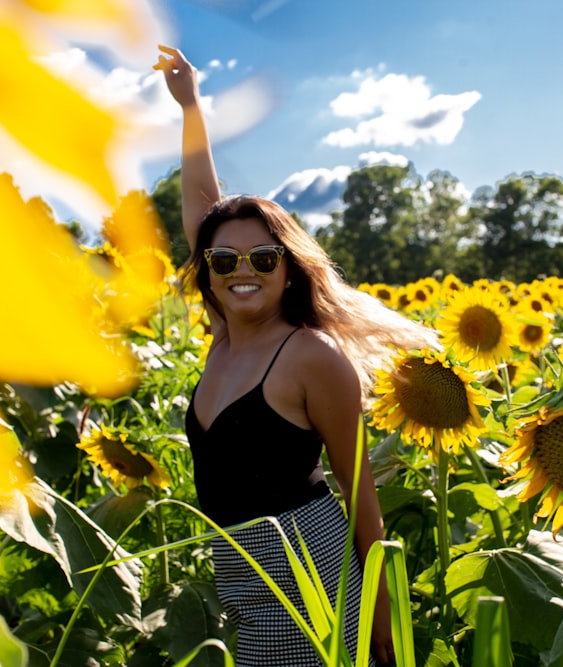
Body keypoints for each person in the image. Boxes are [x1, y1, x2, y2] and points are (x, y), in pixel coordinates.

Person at [155, 45, 435, 666]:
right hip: (239, 571)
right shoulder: (224, 339)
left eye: (263, 258)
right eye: (225, 261)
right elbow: (203, 209)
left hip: (305, 576)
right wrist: (192, 107)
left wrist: (381, 623)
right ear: (208, 272)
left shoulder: (310, 356)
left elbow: (360, 493)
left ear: (289, 270)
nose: (242, 271)